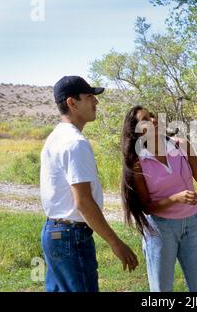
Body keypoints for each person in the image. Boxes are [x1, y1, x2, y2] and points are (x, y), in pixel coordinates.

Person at [120, 106, 197, 292]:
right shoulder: (138, 163)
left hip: (193, 224)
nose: (153, 120)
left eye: (153, 115)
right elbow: (147, 207)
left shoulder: (181, 145)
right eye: (146, 119)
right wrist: (175, 199)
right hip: (160, 230)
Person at [40, 76, 138, 292]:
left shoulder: (56, 136)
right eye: (89, 97)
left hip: (55, 232)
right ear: (71, 103)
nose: (96, 102)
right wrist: (115, 243)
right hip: (70, 236)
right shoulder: (75, 143)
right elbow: (83, 202)